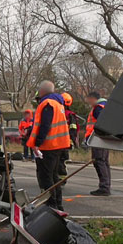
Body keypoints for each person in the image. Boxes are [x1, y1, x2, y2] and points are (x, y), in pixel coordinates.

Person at [27, 81, 71, 210]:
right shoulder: (58, 103)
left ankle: (51, 205)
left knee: (46, 177)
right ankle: (57, 204)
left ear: (41, 91)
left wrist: (37, 143)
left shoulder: (47, 104)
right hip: (58, 145)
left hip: (48, 146)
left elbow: (45, 125)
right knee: (54, 176)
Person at [85, 91, 110, 196]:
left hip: (97, 139)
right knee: (104, 162)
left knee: (99, 161)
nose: (88, 102)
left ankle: (104, 187)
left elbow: (99, 124)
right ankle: (106, 185)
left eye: (88, 99)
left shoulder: (98, 108)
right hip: (104, 139)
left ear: (92, 98)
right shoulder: (106, 106)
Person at [58, 92, 81, 182]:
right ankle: (61, 177)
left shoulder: (63, 114)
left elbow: (73, 129)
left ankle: (62, 178)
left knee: (60, 160)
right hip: (65, 141)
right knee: (60, 160)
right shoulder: (70, 115)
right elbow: (74, 129)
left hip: (62, 141)